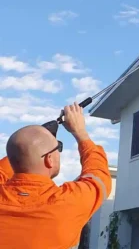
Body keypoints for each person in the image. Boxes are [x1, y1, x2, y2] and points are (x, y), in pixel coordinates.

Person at [0, 102, 112, 249]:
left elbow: (9, 165)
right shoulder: (69, 203)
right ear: (49, 159)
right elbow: (99, 176)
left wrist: (33, 142)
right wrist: (80, 132)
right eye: (58, 148)